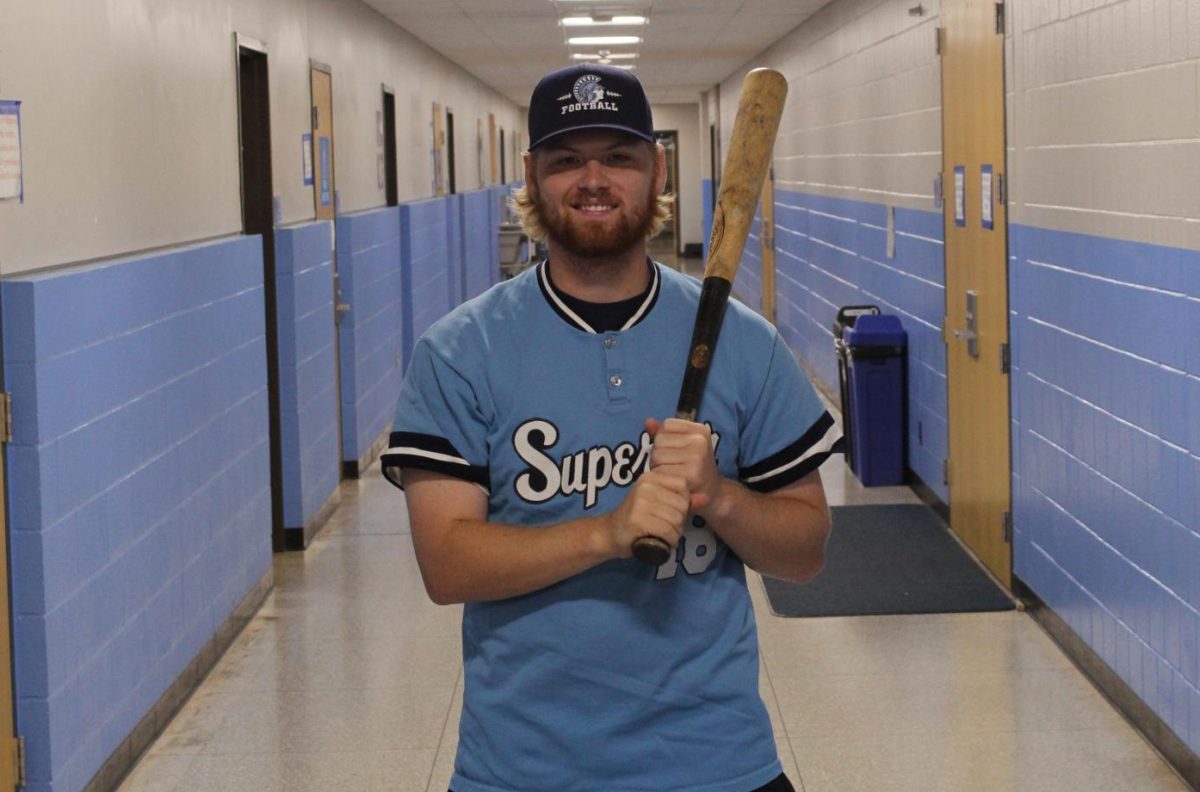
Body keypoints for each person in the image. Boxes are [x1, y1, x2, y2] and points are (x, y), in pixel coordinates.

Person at [382, 63, 842, 792]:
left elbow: (806, 552)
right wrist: (606, 532)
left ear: (656, 169)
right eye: (566, 160)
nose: (593, 180)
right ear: (531, 176)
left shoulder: (745, 343)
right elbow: (447, 565)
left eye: (618, 158)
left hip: (716, 763)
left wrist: (718, 497)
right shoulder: (461, 350)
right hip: (523, 768)